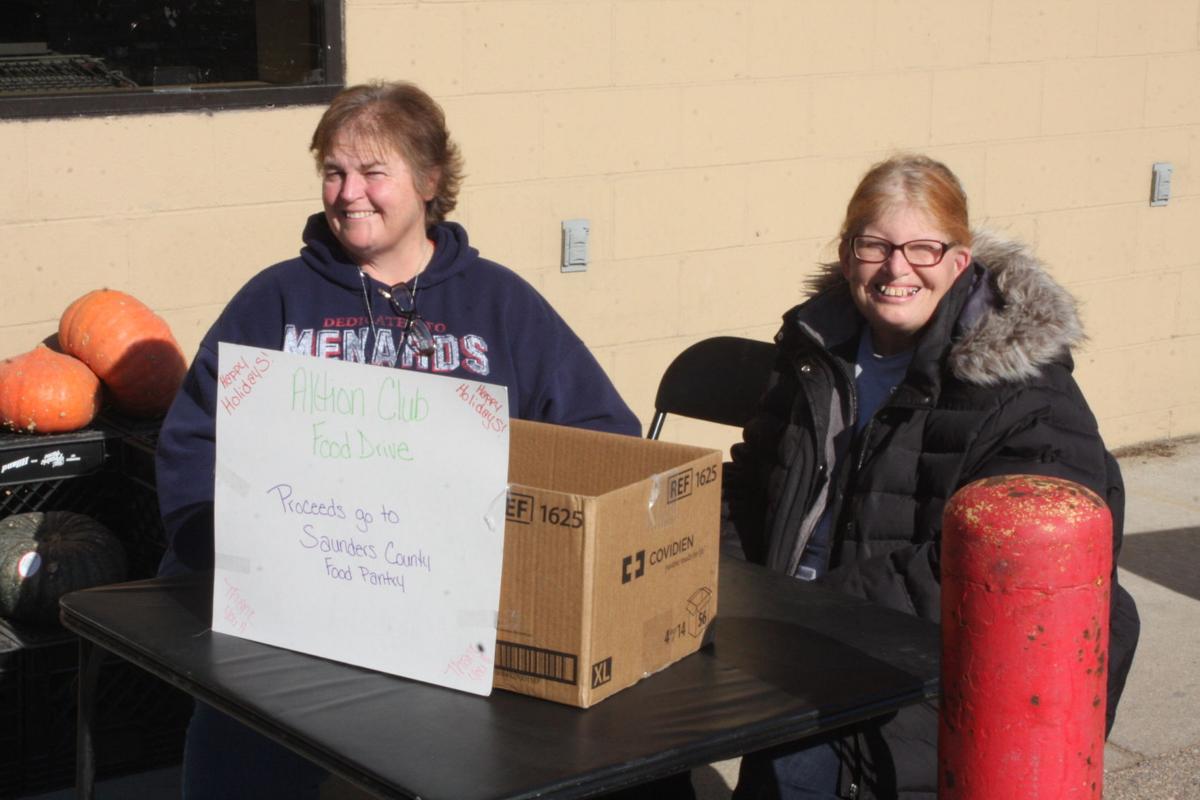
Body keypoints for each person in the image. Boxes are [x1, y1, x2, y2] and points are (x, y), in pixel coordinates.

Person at [154, 80, 641, 798]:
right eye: (334, 171)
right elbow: (195, 438)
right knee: (237, 734)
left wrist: (527, 551)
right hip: (294, 617)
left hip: (457, 619)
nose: (350, 193)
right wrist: (226, 553)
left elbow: (606, 439)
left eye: (373, 172)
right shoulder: (276, 300)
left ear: (431, 180)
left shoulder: (500, 305)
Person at [721, 154, 1139, 799]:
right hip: (784, 650)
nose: (896, 268)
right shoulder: (814, 352)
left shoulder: (1025, 392)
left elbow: (1008, 561)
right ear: (845, 254)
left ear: (958, 261)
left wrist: (814, 616)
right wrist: (710, 586)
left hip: (918, 670)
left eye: (922, 248)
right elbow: (754, 485)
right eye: (875, 246)